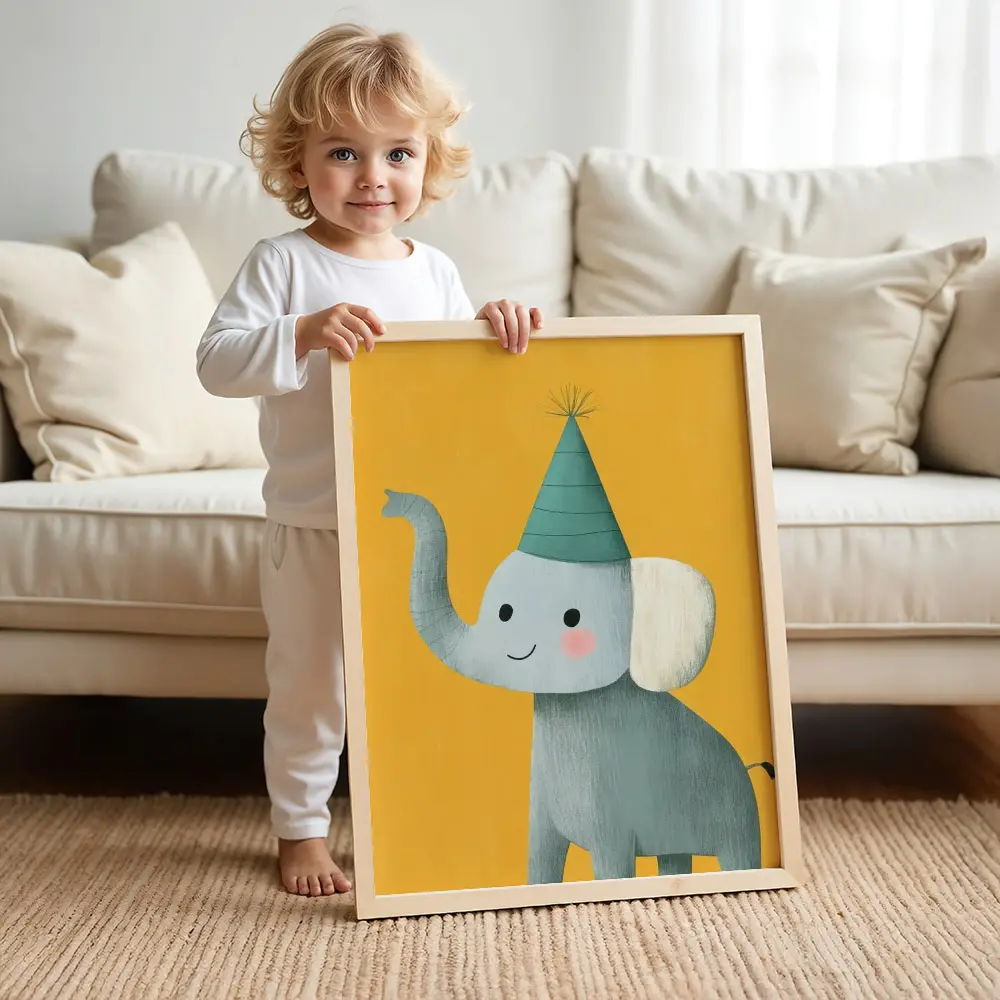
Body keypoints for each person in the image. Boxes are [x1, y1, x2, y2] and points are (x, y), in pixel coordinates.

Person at [196, 23, 544, 897]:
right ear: (298, 161)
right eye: (344, 152)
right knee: (311, 689)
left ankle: (420, 817)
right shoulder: (283, 265)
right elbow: (216, 363)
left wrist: (494, 333)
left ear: (429, 162)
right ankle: (302, 831)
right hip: (313, 523)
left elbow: (466, 399)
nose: (373, 177)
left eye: (398, 153)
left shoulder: (435, 274)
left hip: (414, 526)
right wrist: (301, 332)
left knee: (420, 678)